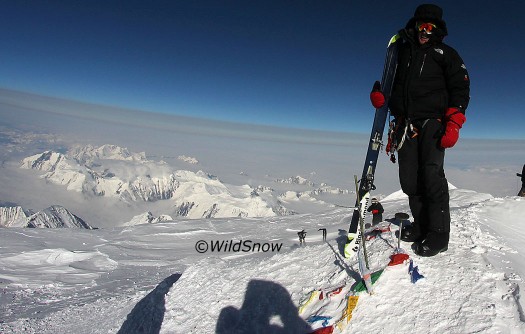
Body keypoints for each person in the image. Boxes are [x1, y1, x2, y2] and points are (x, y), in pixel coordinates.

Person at [370, 4, 470, 257]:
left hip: (433, 122)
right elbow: (390, 80)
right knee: (410, 180)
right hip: (404, 124)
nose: (424, 31)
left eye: (430, 27)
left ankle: (438, 233)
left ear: (437, 30)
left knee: (431, 176)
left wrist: (455, 120)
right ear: (414, 26)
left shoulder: (446, 54)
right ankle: (421, 225)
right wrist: (380, 95)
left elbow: (460, 88)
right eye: (420, 26)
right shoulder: (401, 51)